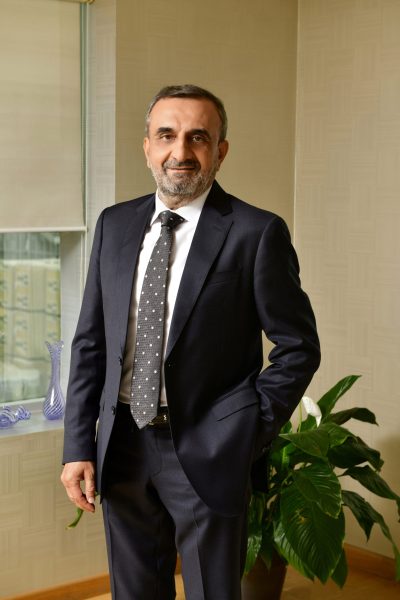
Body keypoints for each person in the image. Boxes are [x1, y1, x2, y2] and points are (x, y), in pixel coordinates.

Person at [61, 84, 320, 600]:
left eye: (198, 137)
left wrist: (247, 429)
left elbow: (298, 346)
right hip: (123, 445)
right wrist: (77, 445)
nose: (180, 151)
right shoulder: (115, 224)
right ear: (147, 147)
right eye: (167, 135)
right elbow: (90, 342)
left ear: (220, 150)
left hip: (209, 449)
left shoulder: (256, 232)